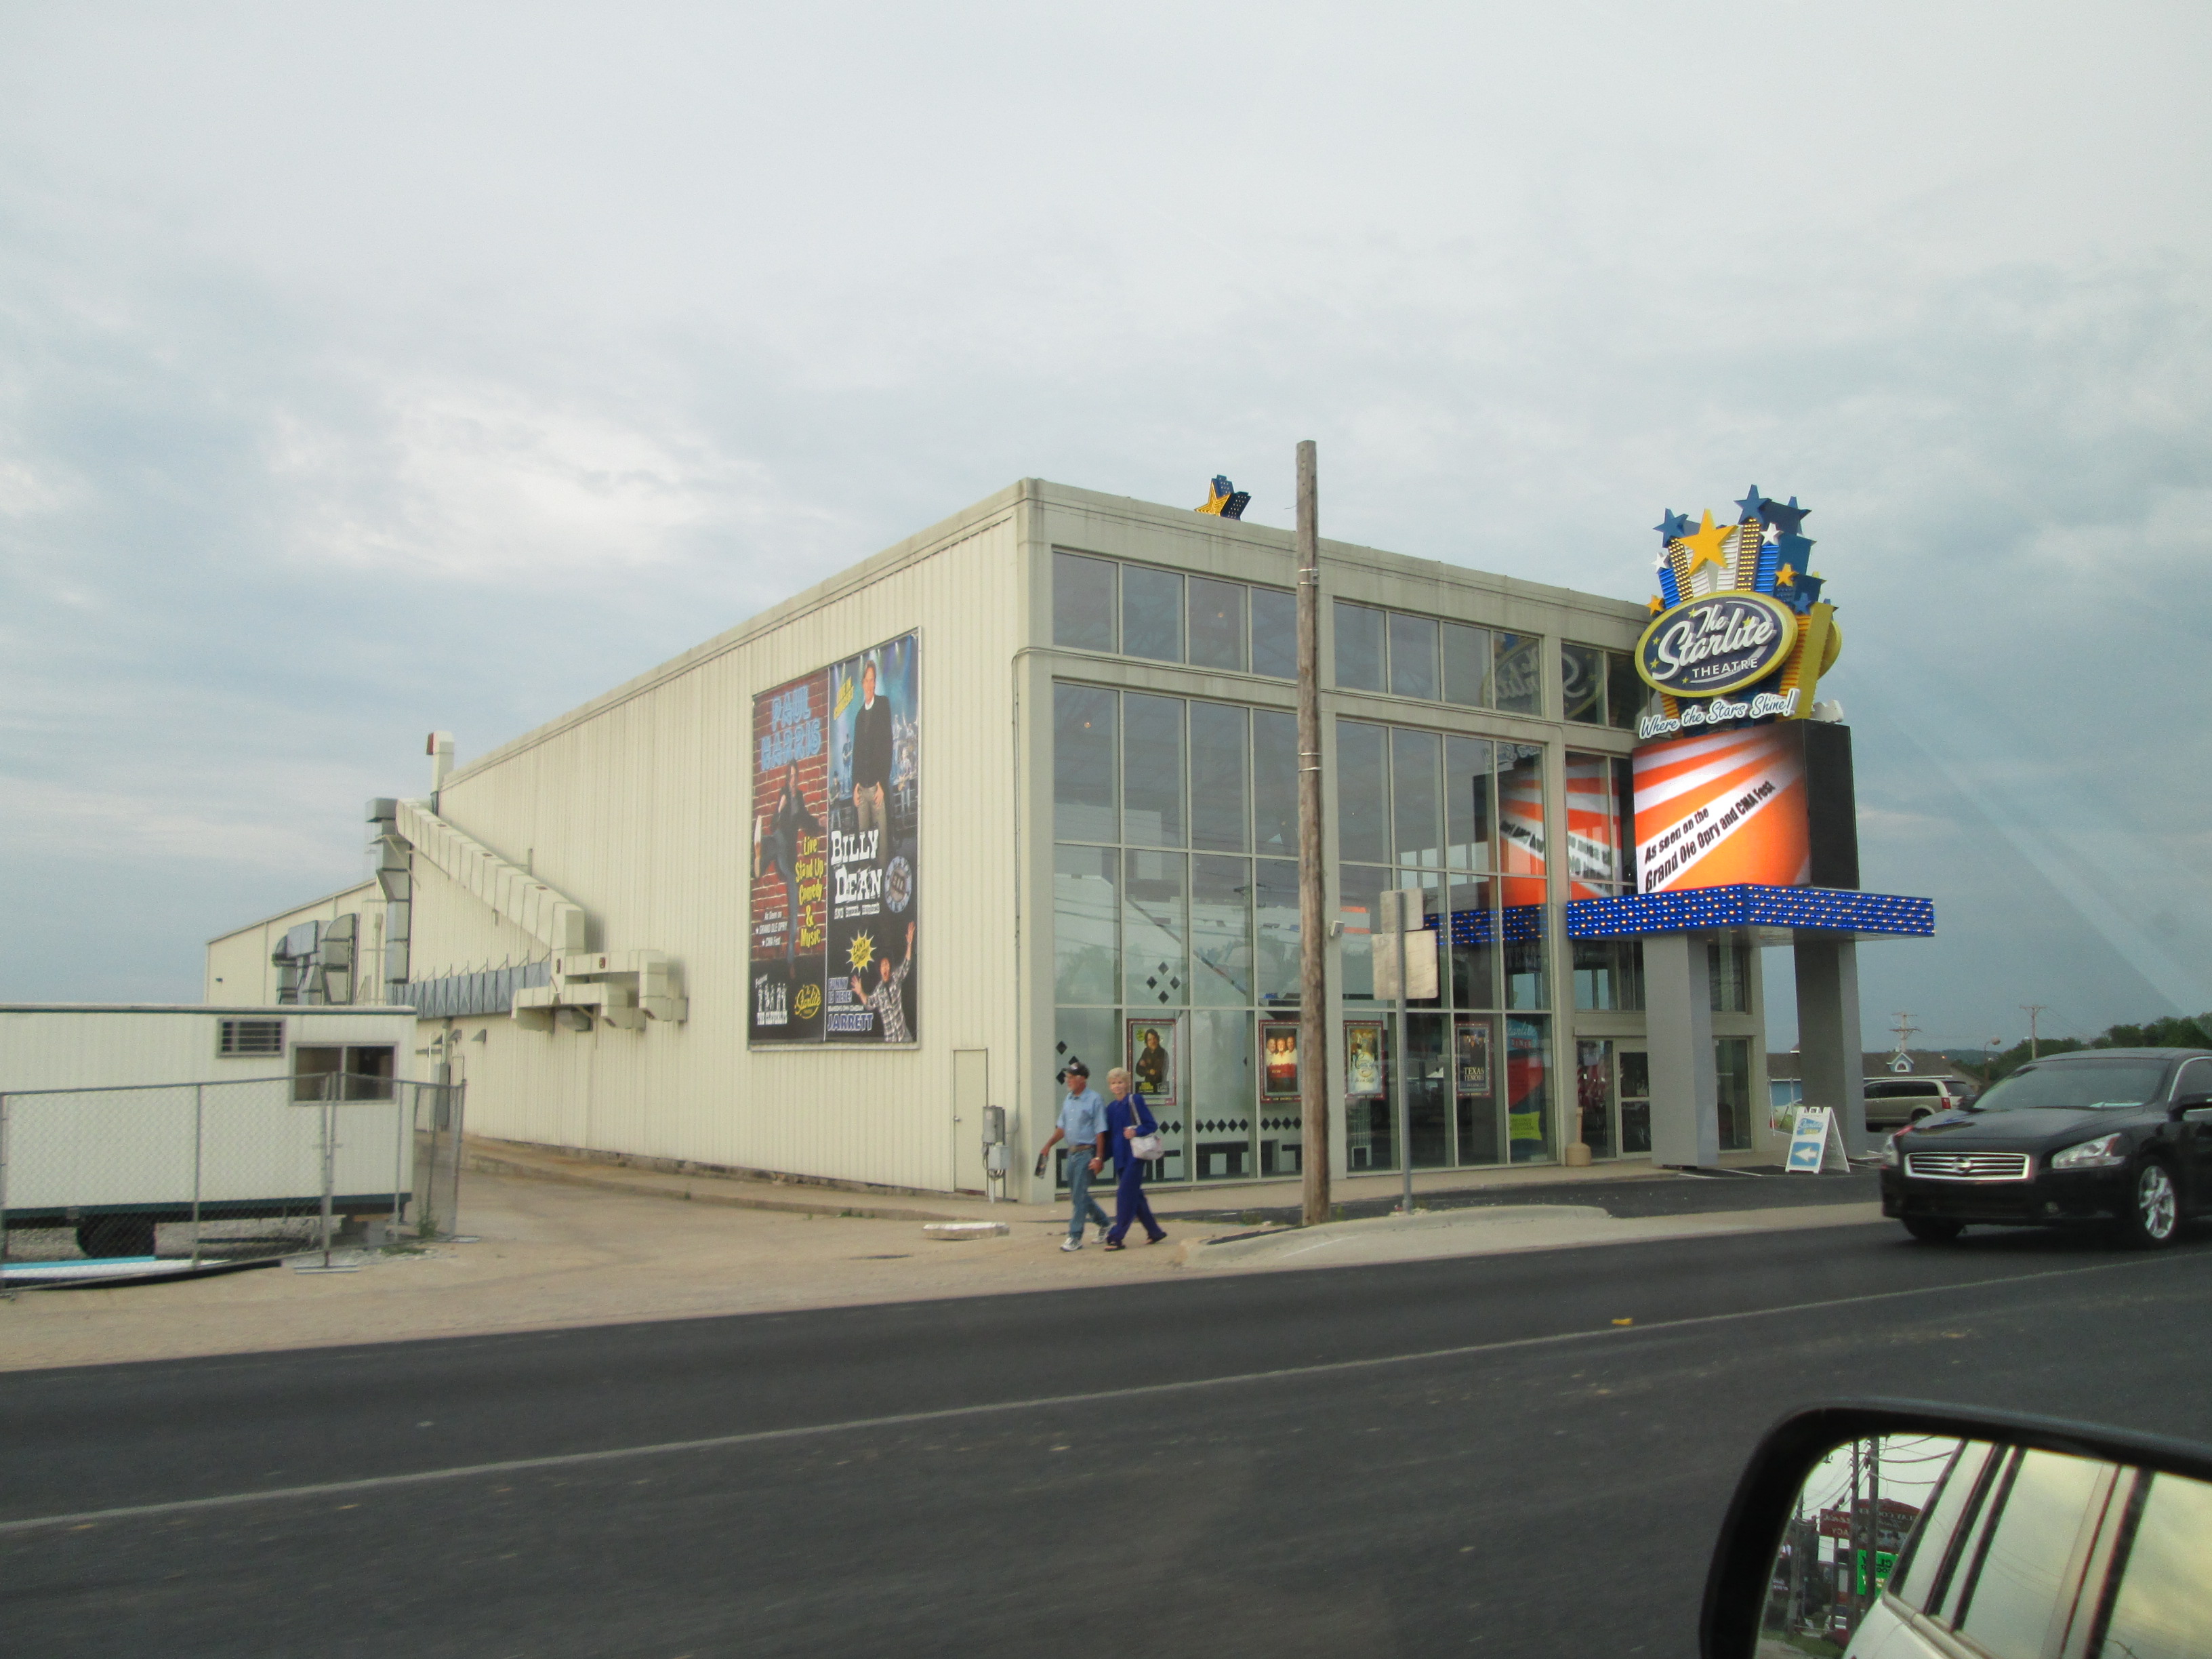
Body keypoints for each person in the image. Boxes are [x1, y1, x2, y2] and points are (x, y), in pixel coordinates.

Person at [754, 763, 821, 970]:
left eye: (795, 776)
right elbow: (774, 823)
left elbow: (806, 820)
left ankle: (790, 961)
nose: (793, 780)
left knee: (794, 910)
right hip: (779, 840)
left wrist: (820, 823)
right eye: (790, 776)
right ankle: (757, 863)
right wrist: (779, 809)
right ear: (787, 779)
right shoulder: (783, 794)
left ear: (798, 778)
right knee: (771, 842)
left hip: (789, 857)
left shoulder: (799, 797)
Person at [1036, 1062, 1109, 1250]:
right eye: (1067, 1077)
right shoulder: (1068, 1100)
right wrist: (1048, 1145)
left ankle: (1075, 1236)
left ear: (1082, 1079)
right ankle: (1104, 1223)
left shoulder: (1094, 1099)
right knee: (1079, 1195)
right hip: (1072, 1153)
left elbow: (1100, 1131)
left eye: (1071, 1077)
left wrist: (1099, 1158)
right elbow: (1062, 1128)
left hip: (1087, 1153)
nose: (1068, 1081)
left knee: (1079, 1196)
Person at [1102, 1066, 1166, 1250]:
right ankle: (1155, 1232)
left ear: (1127, 1084)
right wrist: (1099, 1158)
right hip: (1120, 1158)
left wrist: (1135, 1131)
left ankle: (1116, 1236)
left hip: (1135, 1157)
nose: (1117, 1086)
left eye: (1120, 1082)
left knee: (1125, 1196)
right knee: (1135, 1197)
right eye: (1113, 1083)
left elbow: (1151, 1124)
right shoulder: (1111, 1108)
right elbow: (1110, 1137)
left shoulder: (1135, 1100)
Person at [848, 655, 893, 864]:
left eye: (872, 680)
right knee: (864, 847)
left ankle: (883, 879)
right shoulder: (859, 716)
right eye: (866, 681)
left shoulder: (883, 705)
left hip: (877, 788)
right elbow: (856, 753)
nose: (869, 685)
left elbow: (887, 746)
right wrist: (854, 787)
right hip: (862, 789)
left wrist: (882, 783)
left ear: (875, 682)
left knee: (882, 844)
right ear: (862, 684)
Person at [850, 920, 916, 1042]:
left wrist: (909, 944)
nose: (885, 967)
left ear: (890, 967)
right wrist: (860, 992)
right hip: (891, 1040)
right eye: (883, 965)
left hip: (904, 1036)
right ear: (880, 970)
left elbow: (906, 965)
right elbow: (869, 1003)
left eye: (887, 964)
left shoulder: (896, 978)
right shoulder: (879, 991)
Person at [1133, 1028, 1169, 1097]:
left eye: (1154, 1038)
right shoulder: (1146, 1052)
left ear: (1158, 1040)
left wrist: (1146, 1068)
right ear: (1147, 1042)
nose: (1152, 1041)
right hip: (1147, 1088)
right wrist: (1149, 1071)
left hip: (1160, 1088)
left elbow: (1159, 1072)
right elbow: (1138, 1070)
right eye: (1150, 1040)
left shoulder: (1163, 1053)